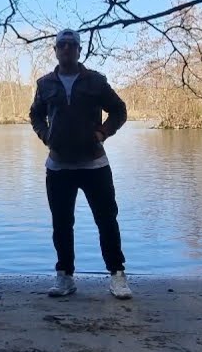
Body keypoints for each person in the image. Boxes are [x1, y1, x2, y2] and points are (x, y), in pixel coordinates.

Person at [28, 29, 132, 299]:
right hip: (58, 167)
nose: (66, 49)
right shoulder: (45, 84)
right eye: (61, 45)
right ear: (55, 50)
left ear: (78, 50)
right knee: (61, 223)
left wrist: (103, 132)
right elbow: (35, 115)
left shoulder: (95, 81)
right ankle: (65, 276)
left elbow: (119, 110)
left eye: (71, 45)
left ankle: (117, 275)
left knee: (107, 220)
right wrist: (45, 135)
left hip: (94, 165)